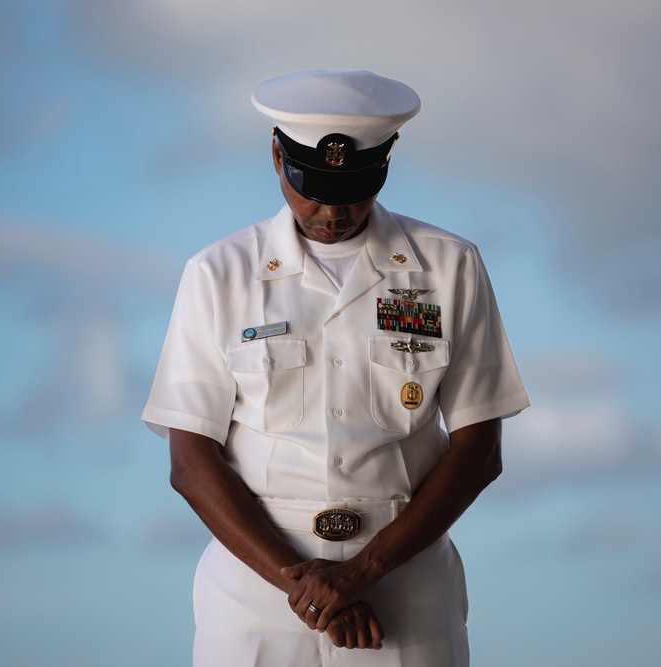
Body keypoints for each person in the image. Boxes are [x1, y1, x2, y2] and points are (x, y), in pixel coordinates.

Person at [142, 70, 529, 666]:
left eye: (352, 187)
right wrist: (304, 586)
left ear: (386, 165)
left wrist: (365, 569)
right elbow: (191, 463)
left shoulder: (450, 267)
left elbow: (481, 448)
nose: (332, 209)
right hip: (255, 593)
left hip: (406, 579)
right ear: (277, 157)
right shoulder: (217, 273)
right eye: (312, 186)